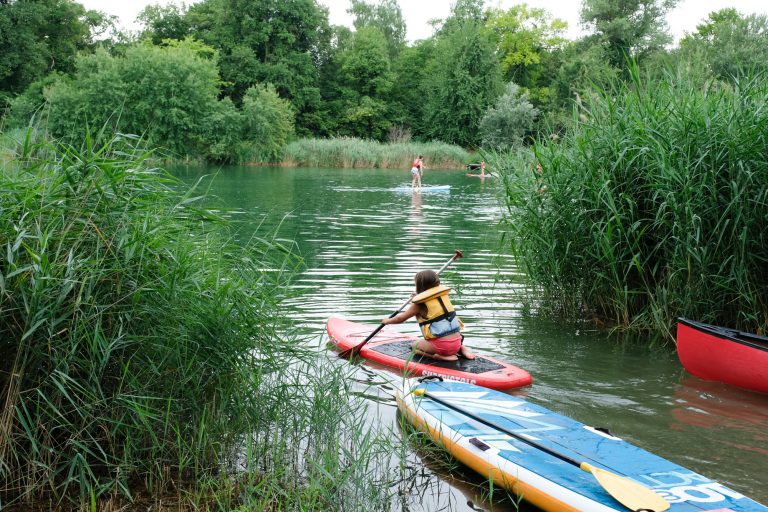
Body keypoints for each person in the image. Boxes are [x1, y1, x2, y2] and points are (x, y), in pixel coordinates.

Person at [382, 270, 475, 361]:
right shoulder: (443, 296)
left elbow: (401, 318)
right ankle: (462, 349)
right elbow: (430, 299)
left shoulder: (419, 304)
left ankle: (437, 356)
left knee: (414, 346)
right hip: (458, 341)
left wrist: (387, 321)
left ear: (419, 285)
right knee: (449, 340)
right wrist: (418, 296)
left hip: (442, 347)